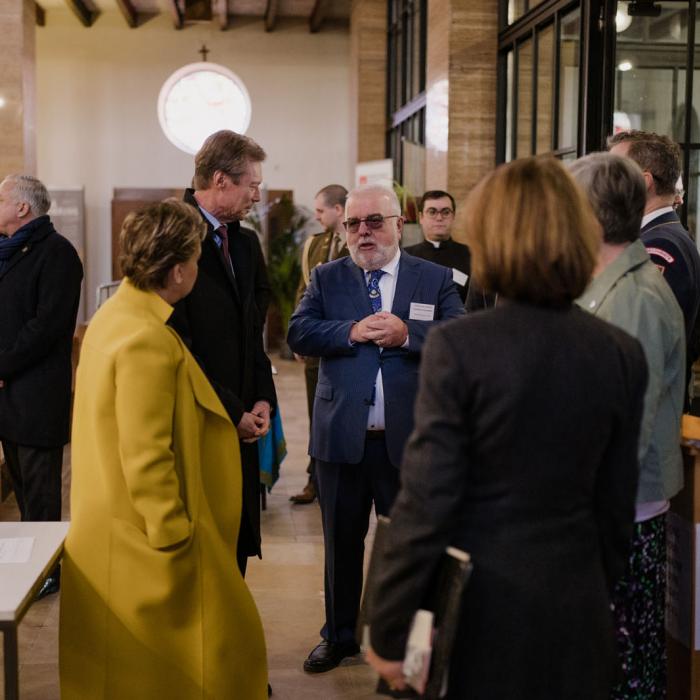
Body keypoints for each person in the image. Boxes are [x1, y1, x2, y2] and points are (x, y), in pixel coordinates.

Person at [366, 158, 648, 699]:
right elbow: (616, 511)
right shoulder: (620, 352)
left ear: (491, 240)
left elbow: (427, 501)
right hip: (578, 614)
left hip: (478, 617)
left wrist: (390, 622)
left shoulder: (461, 348)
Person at [60, 200, 268, 699]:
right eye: (196, 259)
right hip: (145, 535)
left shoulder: (115, 315)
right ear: (178, 271)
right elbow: (146, 451)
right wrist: (174, 533)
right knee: (213, 651)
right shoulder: (145, 339)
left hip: (111, 523)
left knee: (122, 670)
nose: (199, 269)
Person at [288, 184, 464, 674]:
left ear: (397, 225)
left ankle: (407, 647)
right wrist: (350, 331)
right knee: (341, 547)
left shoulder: (433, 278)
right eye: (353, 224)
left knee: (410, 551)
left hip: (408, 442)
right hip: (342, 440)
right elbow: (297, 332)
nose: (363, 232)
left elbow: (459, 334)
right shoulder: (326, 278)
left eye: (374, 222)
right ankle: (339, 637)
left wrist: (408, 334)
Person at [571, 153, 685, 699]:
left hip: (621, 509)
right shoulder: (615, 283)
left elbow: (625, 428)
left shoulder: (634, 296)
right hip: (613, 503)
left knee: (624, 663)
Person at [169, 129, 277, 576]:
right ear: (220, 180)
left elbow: (254, 330)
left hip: (243, 418)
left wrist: (262, 399)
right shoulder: (174, 236)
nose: (257, 193)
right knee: (202, 552)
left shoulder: (246, 243)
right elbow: (178, 346)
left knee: (234, 545)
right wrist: (230, 410)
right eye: (251, 183)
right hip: (200, 418)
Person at [0, 174, 83, 599]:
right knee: (21, 488)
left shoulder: (58, 254)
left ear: (22, 208)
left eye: (1, 198)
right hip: (9, 393)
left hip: (35, 393)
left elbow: (46, 328)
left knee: (40, 493)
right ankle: (28, 563)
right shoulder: (7, 251)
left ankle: (49, 568)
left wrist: (2, 364)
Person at [608, 130, 700, 385]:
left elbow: (644, 341)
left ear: (645, 181)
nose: (605, 181)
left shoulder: (660, 246)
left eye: (615, 171)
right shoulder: (660, 237)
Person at [290, 184, 349, 505]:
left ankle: (338, 480)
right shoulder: (315, 245)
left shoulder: (357, 243)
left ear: (338, 210)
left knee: (341, 414)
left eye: (321, 210)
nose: (316, 216)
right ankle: (315, 479)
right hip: (316, 342)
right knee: (316, 413)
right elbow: (303, 290)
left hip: (345, 341)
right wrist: (299, 334)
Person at [403, 190, 471, 302]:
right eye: (432, 212)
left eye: (446, 212)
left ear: (453, 216)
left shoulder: (471, 256)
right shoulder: (405, 257)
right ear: (421, 217)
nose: (439, 218)